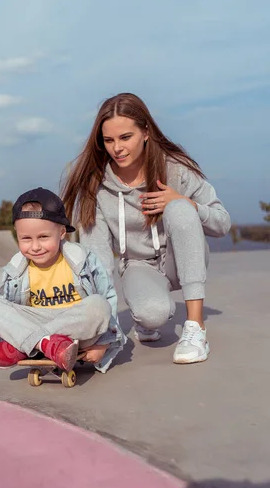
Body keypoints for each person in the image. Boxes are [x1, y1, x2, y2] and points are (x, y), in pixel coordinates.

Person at [61, 93, 231, 364]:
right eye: (109, 140)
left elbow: (222, 223)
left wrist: (186, 202)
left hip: (181, 258)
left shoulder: (176, 169)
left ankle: (196, 328)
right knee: (153, 314)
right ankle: (146, 317)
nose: (117, 148)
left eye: (125, 137)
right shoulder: (97, 186)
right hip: (138, 267)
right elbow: (99, 258)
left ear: (146, 133)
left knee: (180, 208)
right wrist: (101, 329)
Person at [0, 187, 127, 373]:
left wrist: (103, 344)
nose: (35, 246)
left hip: (76, 328)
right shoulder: (15, 269)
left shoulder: (82, 259)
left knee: (99, 305)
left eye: (43, 237)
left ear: (62, 232)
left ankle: (29, 344)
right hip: (36, 319)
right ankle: (46, 343)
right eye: (26, 239)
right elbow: (10, 311)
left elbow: (107, 296)